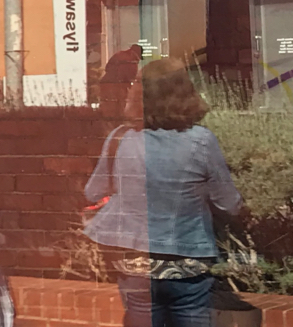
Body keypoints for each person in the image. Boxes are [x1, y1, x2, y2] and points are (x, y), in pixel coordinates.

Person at [84, 57, 244, 327]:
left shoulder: (120, 138)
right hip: (188, 260)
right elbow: (229, 204)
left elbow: (92, 192)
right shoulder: (201, 141)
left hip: (134, 261)